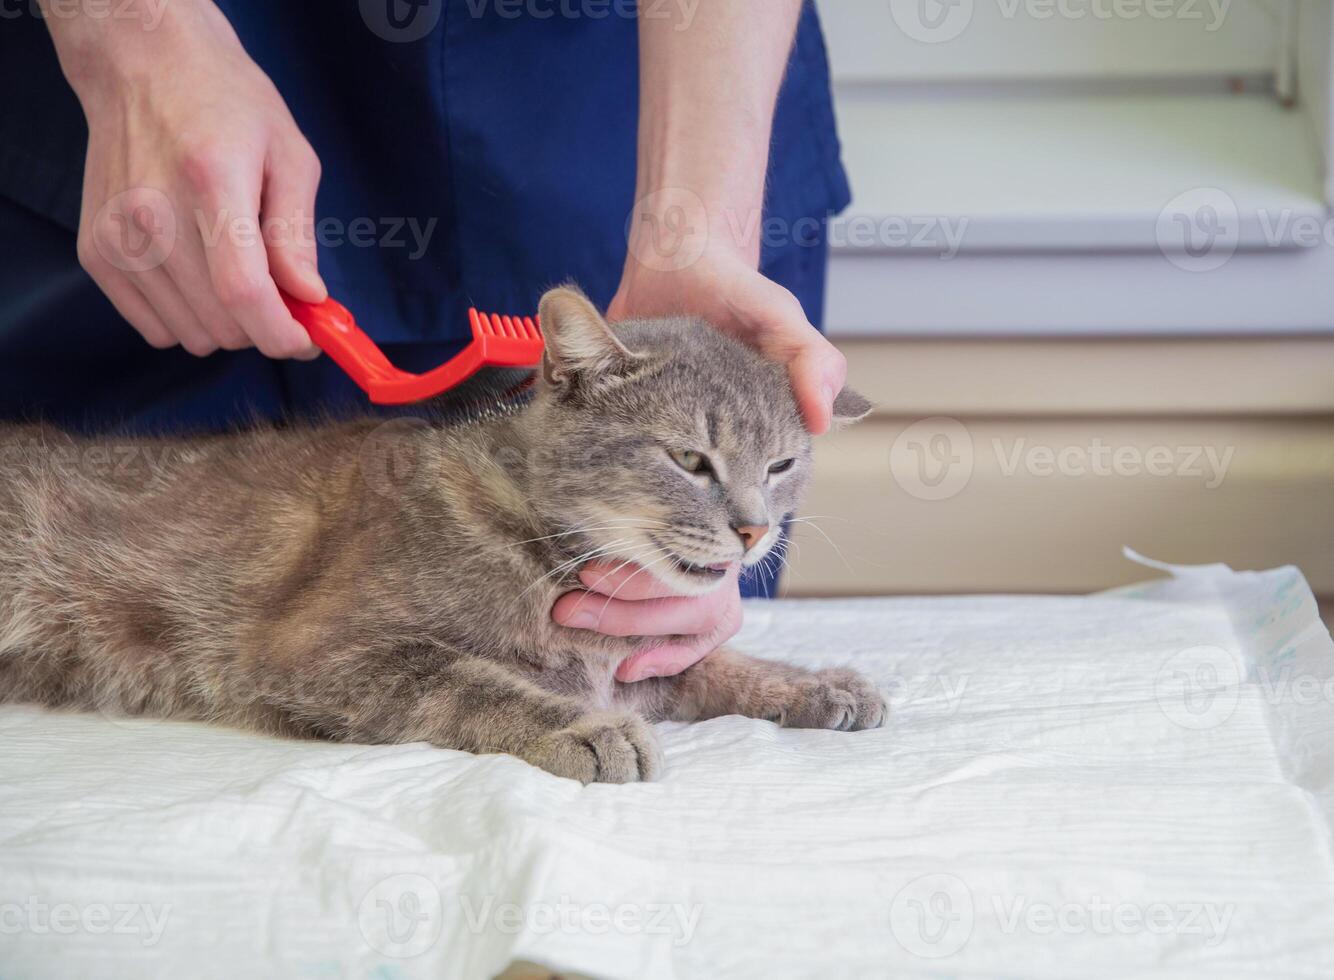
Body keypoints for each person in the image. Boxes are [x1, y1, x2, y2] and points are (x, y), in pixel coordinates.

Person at [0, 0, 851, 682]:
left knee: (637, 614)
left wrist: (695, 230)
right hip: (179, 136)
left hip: (618, 119)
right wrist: (132, 39)